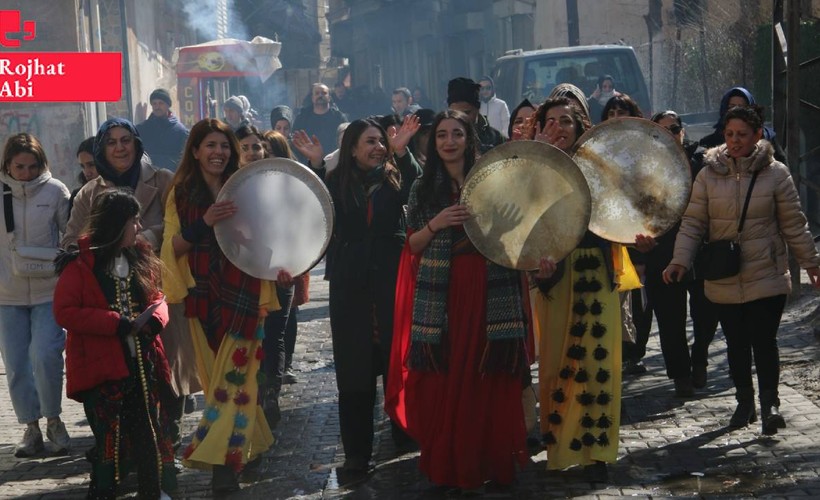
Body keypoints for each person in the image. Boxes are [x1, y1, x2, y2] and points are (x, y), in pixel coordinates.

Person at [391, 110, 545, 491]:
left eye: (456, 134)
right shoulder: (423, 190)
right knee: (450, 376)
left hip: (491, 287)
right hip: (445, 294)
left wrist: (505, 229)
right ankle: (452, 461)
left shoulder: (494, 182)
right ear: (433, 141)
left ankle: (488, 460)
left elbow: (516, 240)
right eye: (441, 135)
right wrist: (437, 222)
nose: (448, 141)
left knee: (487, 374)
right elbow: (411, 245)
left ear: (469, 138)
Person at [663, 105, 820, 435]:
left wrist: (811, 263)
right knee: (735, 343)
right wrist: (680, 260)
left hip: (768, 272)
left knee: (764, 340)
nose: (735, 141)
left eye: (742, 135)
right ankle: (745, 402)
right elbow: (693, 223)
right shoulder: (707, 175)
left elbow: (794, 224)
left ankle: (770, 405)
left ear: (758, 135)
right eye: (730, 134)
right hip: (724, 274)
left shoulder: (777, 174)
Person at [292, 115, 421, 476]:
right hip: (350, 286)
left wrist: (403, 152)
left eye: (381, 141)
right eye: (370, 142)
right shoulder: (336, 182)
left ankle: (405, 431)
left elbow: (420, 188)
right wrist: (314, 165)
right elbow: (311, 212)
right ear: (351, 148)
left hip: (390, 280)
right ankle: (357, 452)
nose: (378, 148)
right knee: (354, 369)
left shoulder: (395, 179)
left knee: (397, 358)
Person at [160, 118, 281, 493]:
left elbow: (267, 240)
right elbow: (170, 249)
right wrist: (205, 224)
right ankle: (250, 444)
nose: (218, 152)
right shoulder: (180, 193)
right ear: (195, 151)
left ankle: (222, 470)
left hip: (245, 295)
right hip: (202, 301)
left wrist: (278, 262)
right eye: (210, 145)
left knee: (235, 380)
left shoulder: (246, 189)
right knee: (220, 386)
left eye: (225, 146)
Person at [528, 97, 638, 481]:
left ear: (580, 128)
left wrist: (642, 238)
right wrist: (541, 158)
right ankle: (559, 449)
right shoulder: (534, 165)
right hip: (554, 272)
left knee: (598, 363)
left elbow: (622, 214)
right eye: (550, 122)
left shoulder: (599, 168)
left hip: (596, 270)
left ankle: (598, 453)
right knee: (557, 360)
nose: (558, 128)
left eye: (566, 122)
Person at [53, 189, 175, 499]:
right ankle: (104, 491)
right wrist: (115, 324)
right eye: (134, 221)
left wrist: (154, 320)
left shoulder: (140, 258)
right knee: (108, 436)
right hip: (103, 364)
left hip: (141, 365)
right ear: (118, 223)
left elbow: (159, 299)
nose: (138, 227)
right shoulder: (81, 265)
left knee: (147, 429)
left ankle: (152, 491)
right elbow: (65, 312)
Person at [633, 111, 719, 397]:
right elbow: (635, 215)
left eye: (675, 128)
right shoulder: (643, 173)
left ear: (683, 132)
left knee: (707, 315)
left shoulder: (703, 163)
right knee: (670, 322)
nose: (671, 133)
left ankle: (700, 357)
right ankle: (681, 375)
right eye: (662, 130)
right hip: (662, 254)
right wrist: (640, 251)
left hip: (702, 254)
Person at [0, 133, 71, 458]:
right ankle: (30, 427)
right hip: (7, 293)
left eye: (31, 166)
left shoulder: (56, 191)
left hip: (48, 289)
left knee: (45, 356)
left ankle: (54, 419)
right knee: (15, 364)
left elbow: (69, 236)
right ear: (7, 165)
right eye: (19, 167)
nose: (25, 173)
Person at [596, 94, 650, 376]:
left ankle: (633, 353)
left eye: (622, 112)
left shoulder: (644, 152)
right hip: (605, 236)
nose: (616, 118)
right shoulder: (593, 151)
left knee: (638, 299)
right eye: (611, 112)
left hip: (636, 235)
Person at [63, 118, 173, 249]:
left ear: (136, 144)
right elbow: (69, 242)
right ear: (102, 150)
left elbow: (180, 227)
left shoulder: (163, 180)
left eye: (126, 140)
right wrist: (104, 245)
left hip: (157, 266)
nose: (120, 148)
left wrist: (147, 238)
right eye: (111, 143)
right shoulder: (88, 193)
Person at [699, 87, 785, 163]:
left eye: (741, 106)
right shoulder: (709, 143)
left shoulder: (767, 137)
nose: (734, 140)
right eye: (731, 107)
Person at [136, 88, 190, 172]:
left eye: (161, 103)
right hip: (147, 179)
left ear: (168, 105)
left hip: (171, 179)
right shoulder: (142, 129)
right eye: (154, 103)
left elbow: (184, 159)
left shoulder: (181, 132)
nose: (157, 107)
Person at [292, 83, 348, 163]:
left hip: (334, 163)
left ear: (329, 97)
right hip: (307, 163)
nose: (320, 95)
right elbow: (295, 141)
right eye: (317, 93)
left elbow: (347, 140)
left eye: (324, 93)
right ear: (312, 97)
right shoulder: (302, 117)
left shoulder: (339, 117)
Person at [447, 77, 504, 153]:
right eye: (454, 114)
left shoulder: (494, 138)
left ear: (477, 109)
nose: (460, 118)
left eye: (466, 113)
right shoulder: (441, 139)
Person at [69, 136, 99, 212]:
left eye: (91, 165)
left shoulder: (119, 191)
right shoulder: (78, 196)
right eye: (82, 166)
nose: (87, 172)